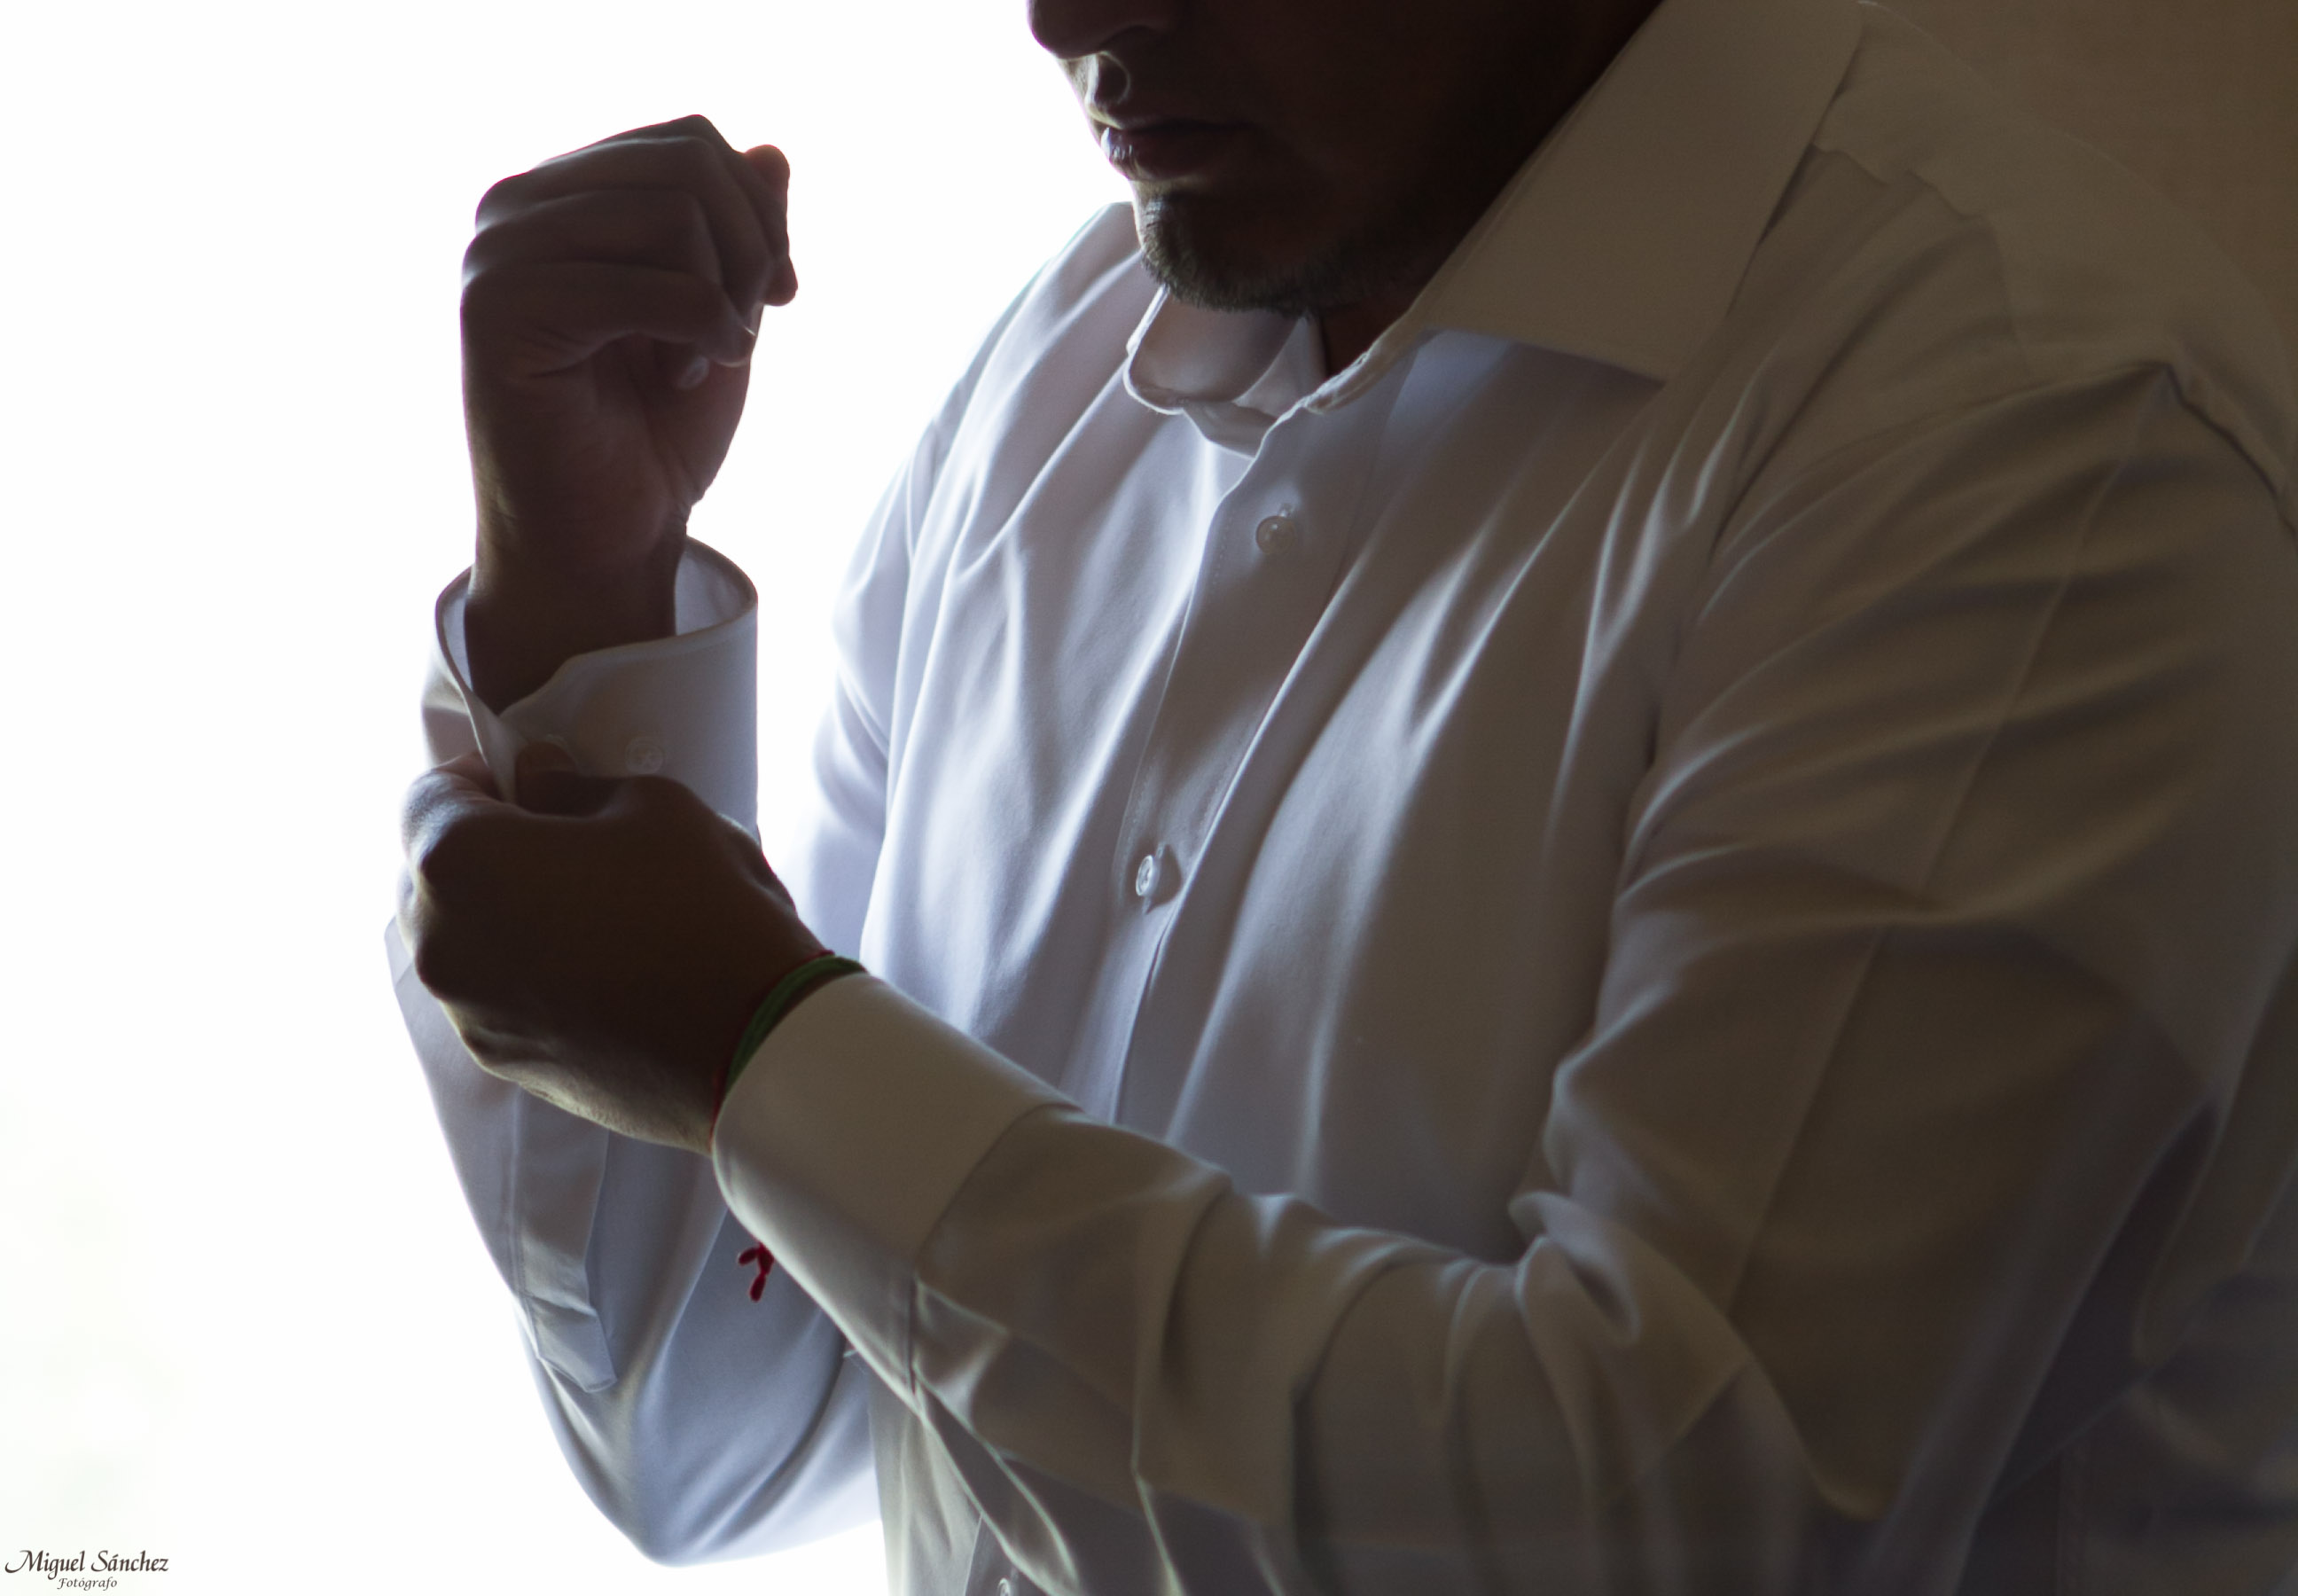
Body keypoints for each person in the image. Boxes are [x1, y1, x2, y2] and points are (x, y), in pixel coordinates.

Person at [391, 0, 2298, 1587]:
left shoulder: (2035, 441)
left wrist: (758, 1044)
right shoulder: (1051, 387)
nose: (1064, 18)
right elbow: (725, 1438)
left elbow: (1656, 1530)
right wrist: (586, 603)